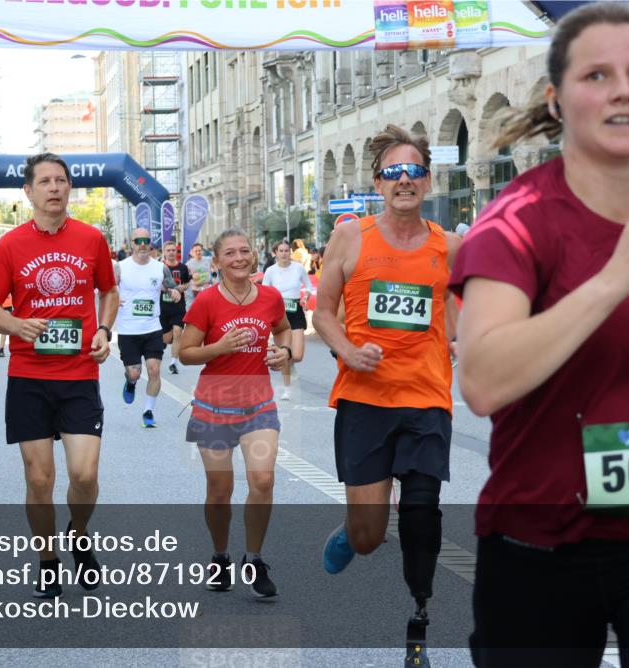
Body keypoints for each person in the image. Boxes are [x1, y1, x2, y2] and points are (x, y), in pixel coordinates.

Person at [449, 4, 629, 666]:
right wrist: (615, 276)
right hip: (542, 537)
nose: (623, 89)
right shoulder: (517, 224)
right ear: (556, 101)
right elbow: (483, 380)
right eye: (598, 74)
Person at [313, 124, 460, 665]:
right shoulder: (352, 236)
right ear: (378, 181)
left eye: (414, 171)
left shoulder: (450, 245)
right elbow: (323, 311)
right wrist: (348, 352)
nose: (404, 180)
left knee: (423, 511)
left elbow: (457, 313)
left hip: (426, 398)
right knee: (373, 535)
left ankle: (419, 613)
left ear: (427, 179)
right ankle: (356, 531)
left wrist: (465, 341)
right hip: (365, 400)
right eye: (393, 172)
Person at [0, 153, 118, 599]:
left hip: (79, 372)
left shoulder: (91, 238)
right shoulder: (10, 245)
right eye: (45, 181)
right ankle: (47, 558)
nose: (54, 187)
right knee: (39, 479)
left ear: (69, 188)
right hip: (29, 374)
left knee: (84, 473)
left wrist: (102, 328)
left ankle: (78, 534)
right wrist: (17, 325)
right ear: (29, 191)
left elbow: (109, 290)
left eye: (61, 180)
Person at [179, 229, 292, 599]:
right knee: (219, 491)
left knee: (262, 481)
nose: (240, 257)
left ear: (254, 255)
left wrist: (284, 353)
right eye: (230, 253)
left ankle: (254, 558)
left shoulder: (271, 297)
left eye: (245, 251)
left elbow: (285, 330)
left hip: (258, 404)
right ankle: (220, 555)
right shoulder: (207, 302)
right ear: (217, 262)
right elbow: (186, 352)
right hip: (212, 407)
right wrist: (219, 347)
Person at [116, 228, 180, 428]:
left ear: (151, 243)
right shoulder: (120, 267)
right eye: (138, 241)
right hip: (128, 331)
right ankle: (131, 382)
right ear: (131, 244)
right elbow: (106, 290)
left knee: (154, 370)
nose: (142, 244)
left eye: (146, 240)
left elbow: (171, 286)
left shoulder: (160, 268)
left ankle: (148, 411)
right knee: (134, 372)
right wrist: (114, 297)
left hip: (152, 328)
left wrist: (175, 292)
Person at [263, 240, 315, 400]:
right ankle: (287, 389)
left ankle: (291, 364)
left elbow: (309, 287)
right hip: (279, 314)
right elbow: (264, 292)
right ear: (275, 253)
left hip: (295, 312)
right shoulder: (270, 270)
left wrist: (305, 297)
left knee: (297, 355)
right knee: (283, 353)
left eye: (287, 251)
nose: (284, 253)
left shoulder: (298, 268)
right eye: (281, 251)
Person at [160, 240, 191, 375]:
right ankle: (165, 342)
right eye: (169, 250)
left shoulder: (183, 268)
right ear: (164, 252)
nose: (172, 253)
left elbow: (187, 283)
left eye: (174, 250)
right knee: (166, 339)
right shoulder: (159, 267)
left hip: (178, 307)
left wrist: (181, 288)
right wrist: (167, 290)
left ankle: (173, 363)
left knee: (178, 333)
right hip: (163, 307)